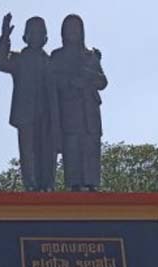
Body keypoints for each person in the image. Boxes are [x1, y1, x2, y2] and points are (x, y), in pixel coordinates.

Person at [0, 13, 61, 191]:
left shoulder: (51, 61)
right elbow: (0, 62)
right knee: (28, 152)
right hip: (25, 114)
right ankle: (31, 186)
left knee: (48, 152)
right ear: (24, 37)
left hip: (48, 114)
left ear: (46, 38)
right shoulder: (18, 59)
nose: (37, 36)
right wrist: (5, 37)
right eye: (33, 32)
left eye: (41, 32)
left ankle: (48, 185)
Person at [50, 14, 107, 192]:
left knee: (91, 146)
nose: (73, 32)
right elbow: (53, 81)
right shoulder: (57, 55)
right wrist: (71, 83)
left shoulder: (90, 55)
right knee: (72, 146)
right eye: (69, 28)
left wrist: (89, 76)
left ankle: (91, 184)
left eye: (76, 28)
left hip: (89, 109)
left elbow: (103, 82)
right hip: (69, 109)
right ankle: (74, 184)